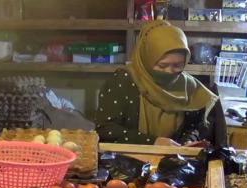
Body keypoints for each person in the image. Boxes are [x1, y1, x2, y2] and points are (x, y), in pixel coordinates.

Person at [95, 20, 226, 147]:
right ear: (147, 60)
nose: (170, 71)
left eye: (178, 65)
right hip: (128, 161)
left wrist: (187, 142)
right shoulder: (124, 81)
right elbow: (106, 129)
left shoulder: (189, 87)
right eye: (162, 66)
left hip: (174, 163)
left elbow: (195, 126)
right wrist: (152, 142)